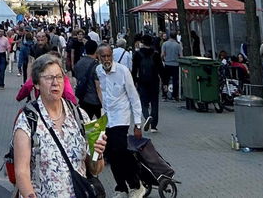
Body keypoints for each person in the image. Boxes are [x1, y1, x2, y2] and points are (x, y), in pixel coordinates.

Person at [12, 54, 108, 198]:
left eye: (59, 77)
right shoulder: (27, 120)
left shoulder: (80, 116)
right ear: (37, 84)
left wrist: (98, 153)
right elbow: (21, 172)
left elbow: (95, 170)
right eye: (49, 78)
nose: (55, 82)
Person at [93, 42, 146, 198]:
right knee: (111, 155)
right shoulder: (99, 71)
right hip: (107, 119)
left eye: (109, 56)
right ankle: (121, 188)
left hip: (121, 118)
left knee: (120, 151)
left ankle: (136, 185)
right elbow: (101, 92)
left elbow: (134, 97)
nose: (106, 59)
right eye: (103, 56)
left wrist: (138, 124)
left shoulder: (123, 71)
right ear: (98, 57)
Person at [131, 35, 161, 131]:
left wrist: (133, 81)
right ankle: (154, 126)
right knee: (154, 102)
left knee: (143, 102)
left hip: (142, 81)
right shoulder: (155, 54)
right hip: (154, 81)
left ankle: (147, 116)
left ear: (142, 43)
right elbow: (160, 68)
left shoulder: (137, 54)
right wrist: (164, 82)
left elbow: (134, 69)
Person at [160, 33, 181, 100]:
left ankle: (164, 95)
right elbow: (180, 55)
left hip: (167, 64)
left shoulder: (165, 44)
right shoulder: (178, 45)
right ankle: (175, 96)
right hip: (175, 64)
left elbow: (162, 54)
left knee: (165, 80)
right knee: (175, 81)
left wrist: (161, 60)